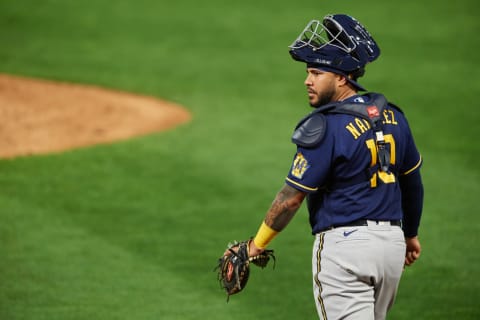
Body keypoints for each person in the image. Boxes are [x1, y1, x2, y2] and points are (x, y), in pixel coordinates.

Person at [240, 14, 424, 319]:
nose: (307, 81)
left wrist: (255, 245)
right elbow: (412, 182)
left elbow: (290, 198)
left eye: (315, 72)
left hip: (346, 251)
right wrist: (410, 234)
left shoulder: (327, 126)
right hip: (390, 248)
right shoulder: (394, 117)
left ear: (341, 77)